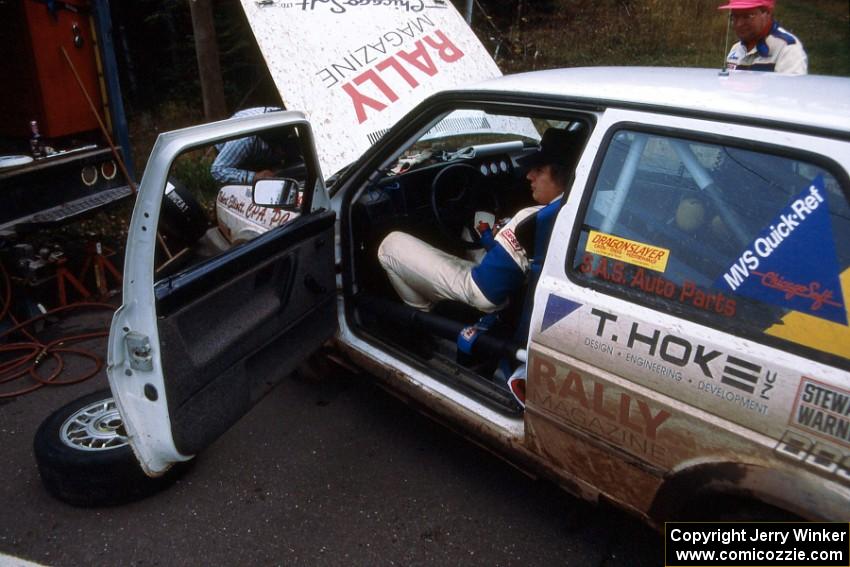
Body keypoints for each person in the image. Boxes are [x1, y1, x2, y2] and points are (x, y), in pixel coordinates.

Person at [377, 127, 584, 315]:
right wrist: (490, 235)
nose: (529, 176)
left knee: (389, 245)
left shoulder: (532, 217)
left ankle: (422, 318)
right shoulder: (575, 210)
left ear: (564, 175)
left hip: (483, 290)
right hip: (516, 284)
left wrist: (494, 235)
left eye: (538, 170)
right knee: (470, 233)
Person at [718, 0, 807, 74]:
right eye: (735, 17)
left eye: (748, 16)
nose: (739, 24)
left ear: (768, 13)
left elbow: (790, 92)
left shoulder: (787, 48)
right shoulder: (736, 49)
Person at [210, 106, 292, 185]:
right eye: (280, 148)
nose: (282, 152)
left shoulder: (285, 116)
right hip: (231, 154)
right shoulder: (244, 140)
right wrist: (254, 177)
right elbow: (217, 170)